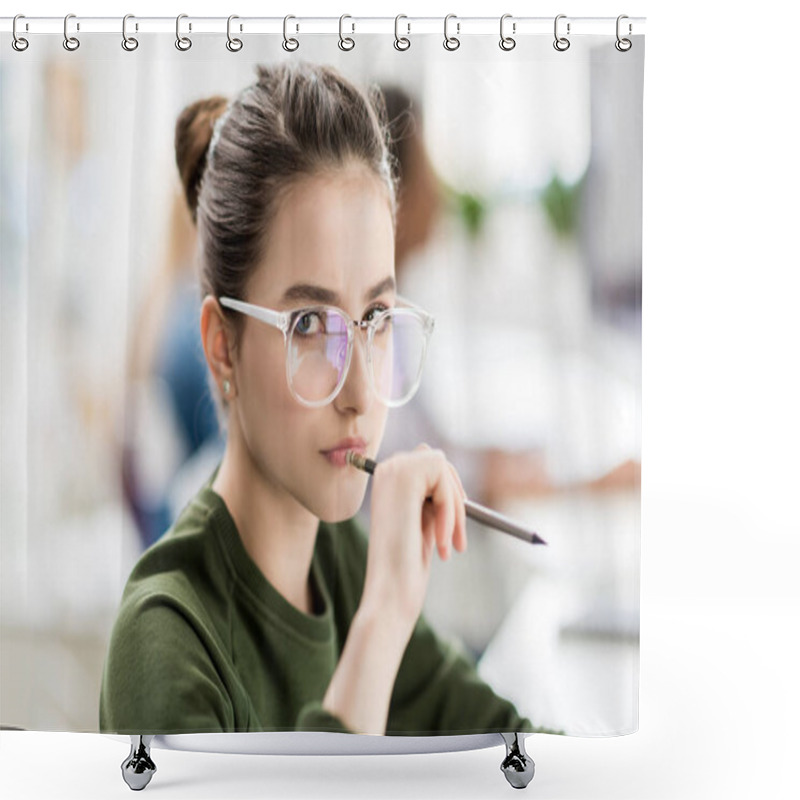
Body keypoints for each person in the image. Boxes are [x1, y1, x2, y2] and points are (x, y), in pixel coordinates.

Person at [99, 61, 543, 737]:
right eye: (309, 325)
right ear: (222, 347)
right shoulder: (166, 636)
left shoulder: (339, 560)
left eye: (375, 319)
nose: (364, 394)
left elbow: (508, 743)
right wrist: (386, 613)